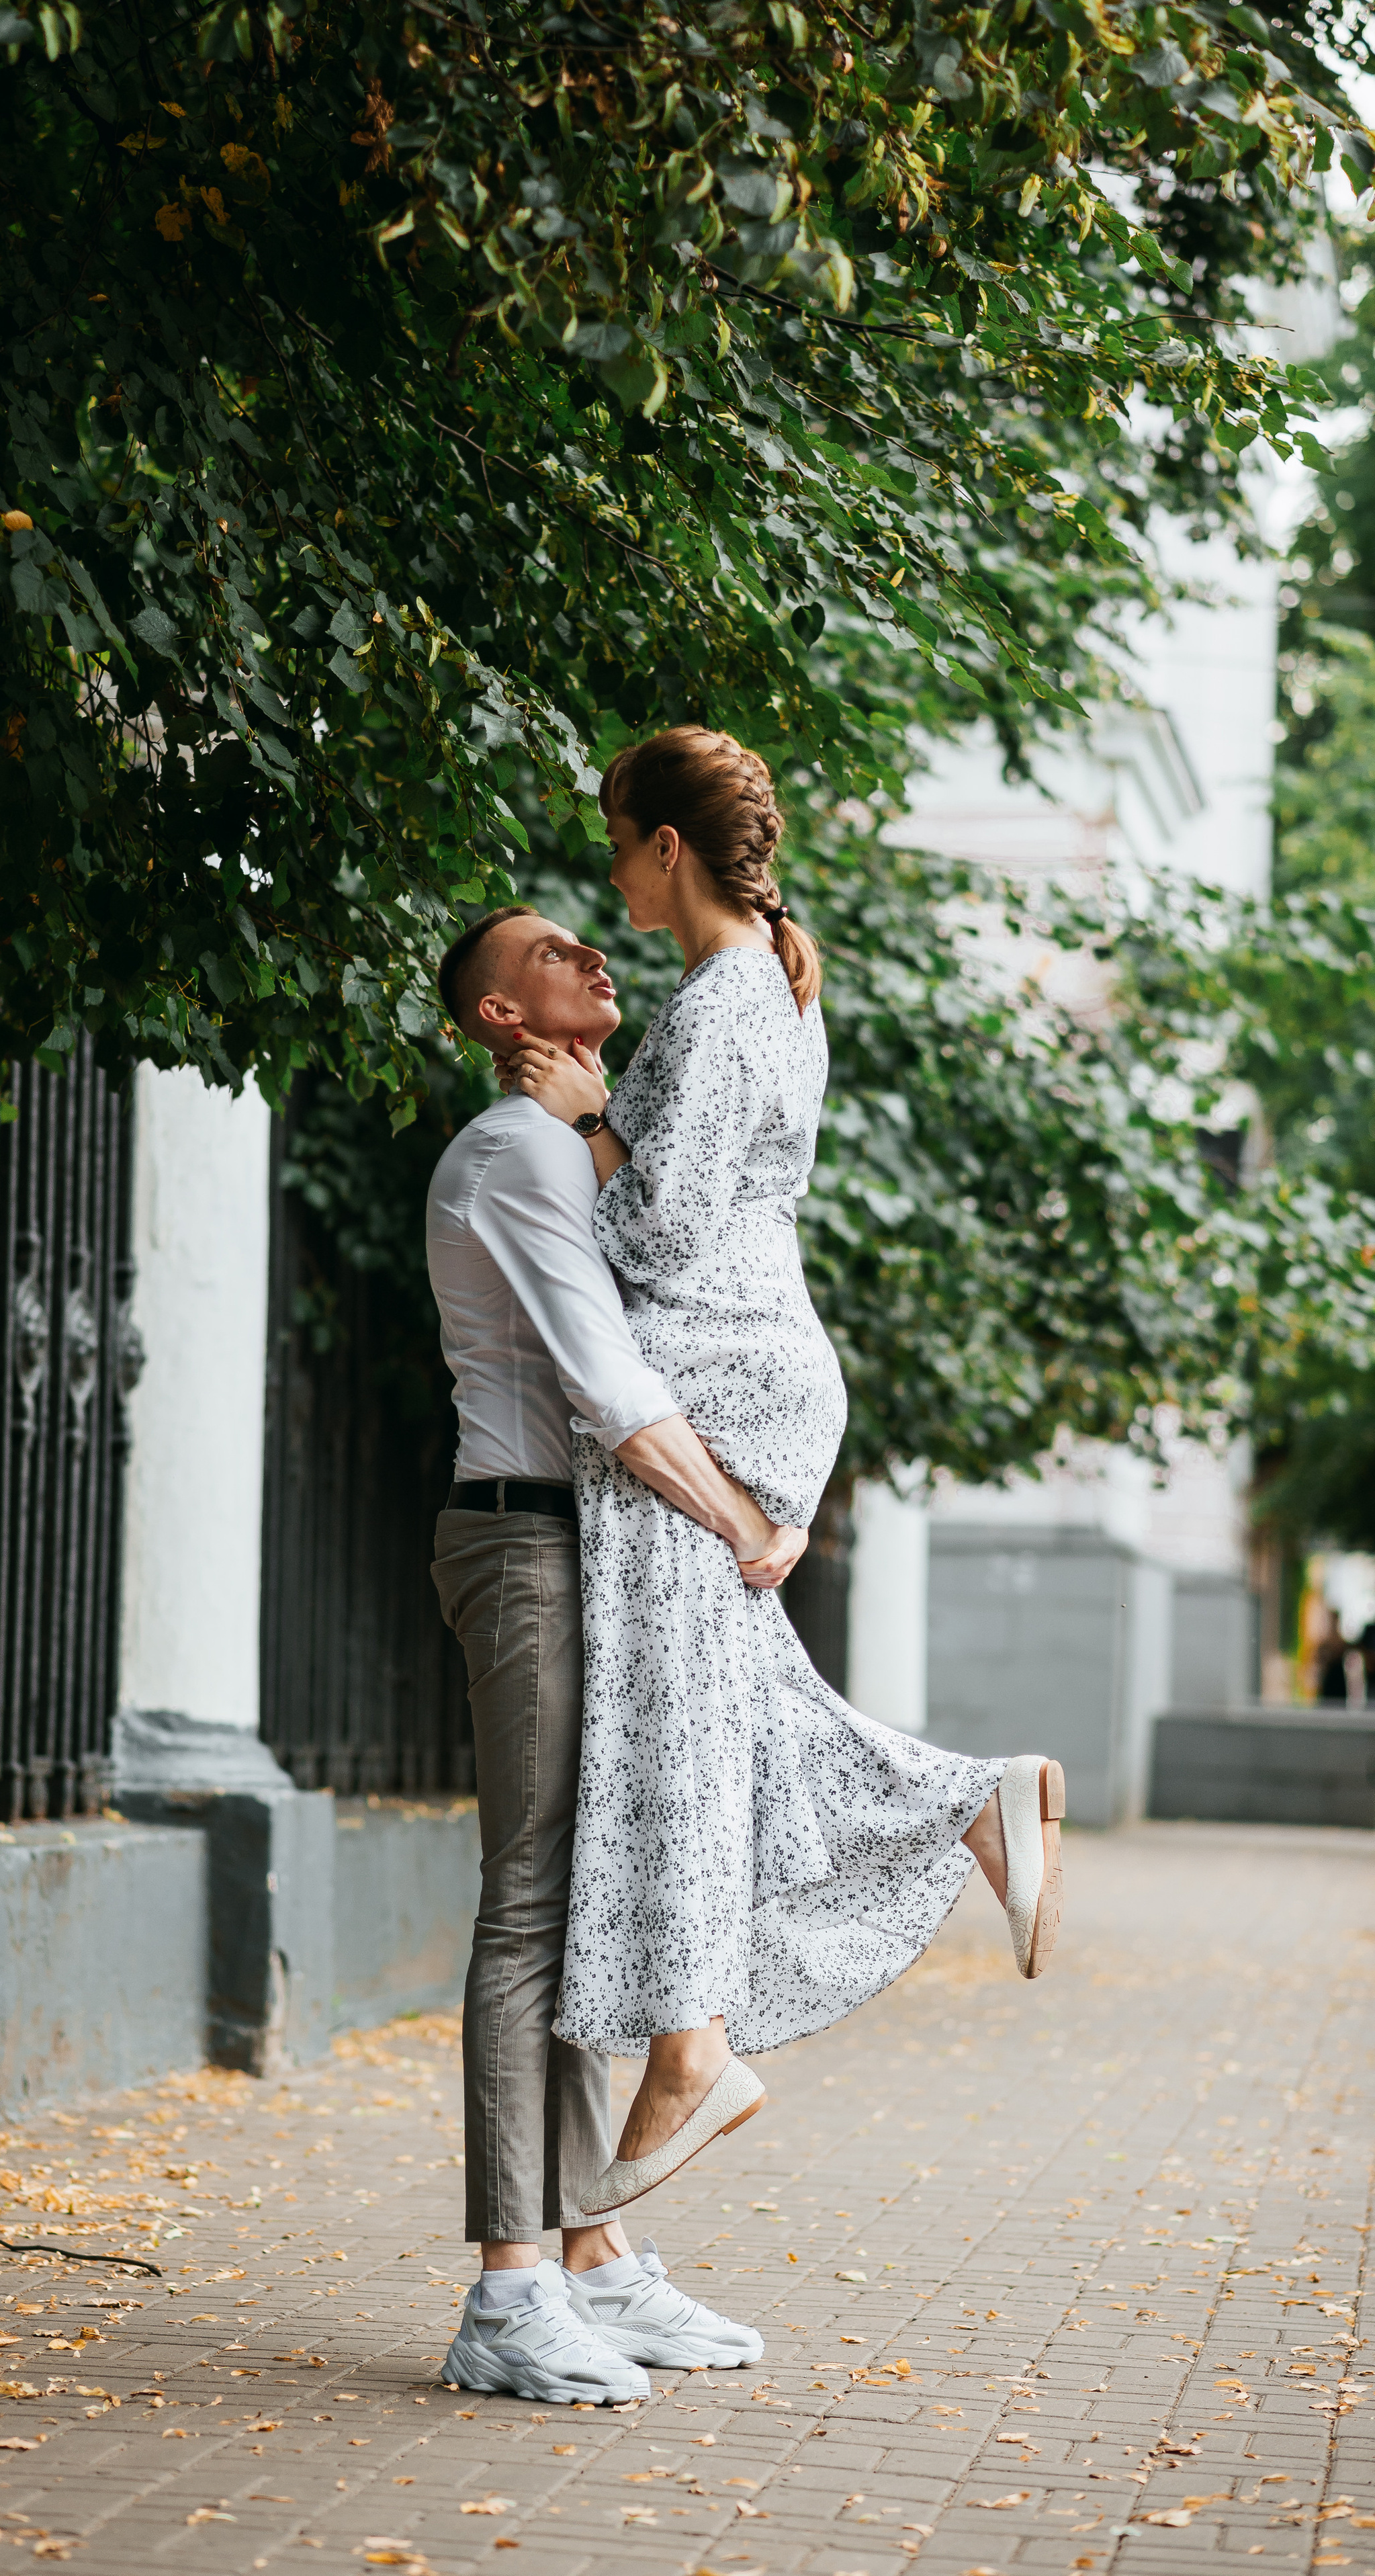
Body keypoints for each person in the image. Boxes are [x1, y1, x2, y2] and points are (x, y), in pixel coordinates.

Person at [506, 726, 1066, 2217]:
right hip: (748, 1372)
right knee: (721, 1703)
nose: (611, 878)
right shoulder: (759, 984)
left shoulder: (721, 1001)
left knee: (670, 1731)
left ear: (666, 846)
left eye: (618, 845)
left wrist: (582, 1121)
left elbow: (655, 1236)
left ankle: (691, 2050)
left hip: (710, 1378)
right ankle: (969, 1807)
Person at [426, 904, 800, 2404]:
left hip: (586, 1547)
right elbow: (609, 1381)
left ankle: (590, 2257)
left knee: (586, 1910)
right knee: (531, 1907)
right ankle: (507, 2290)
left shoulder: (577, 1149)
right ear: (501, 1018)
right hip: (525, 1542)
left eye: (591, 939)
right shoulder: (512, 1151)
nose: (592, 956)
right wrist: (743, 1517)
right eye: (550, 953)